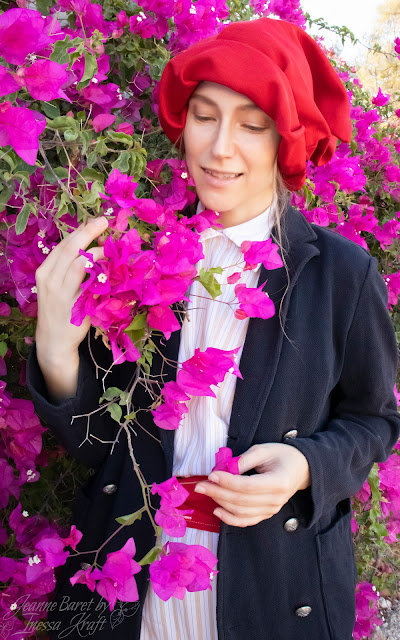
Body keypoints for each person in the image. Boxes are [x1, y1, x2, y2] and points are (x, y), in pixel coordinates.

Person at [27, 16, 400, 640]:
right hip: (129, 584)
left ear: (287, 139)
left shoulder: (342, 274)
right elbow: (100, 450)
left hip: (272, 587)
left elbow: (375, 420)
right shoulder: (132, 252)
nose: (219, 148)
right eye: (204, 115)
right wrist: (57, 352)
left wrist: (307, 466)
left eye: (252, 125)